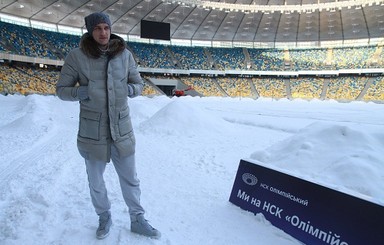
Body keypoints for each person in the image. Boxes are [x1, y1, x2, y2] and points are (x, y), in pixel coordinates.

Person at [56, 12, 160, 240]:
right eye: (97, 28)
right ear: (90, 31)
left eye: (106, 27)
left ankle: (137, 218)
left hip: (121, 129)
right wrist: (81, 92)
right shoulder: (76, 56)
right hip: (92, 131)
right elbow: (61, 90)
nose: (103, 32)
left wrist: (130, 90)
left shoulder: (125, 55)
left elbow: (138, 84)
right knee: (95, 180)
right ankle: (104, 216)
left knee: (131, 178)